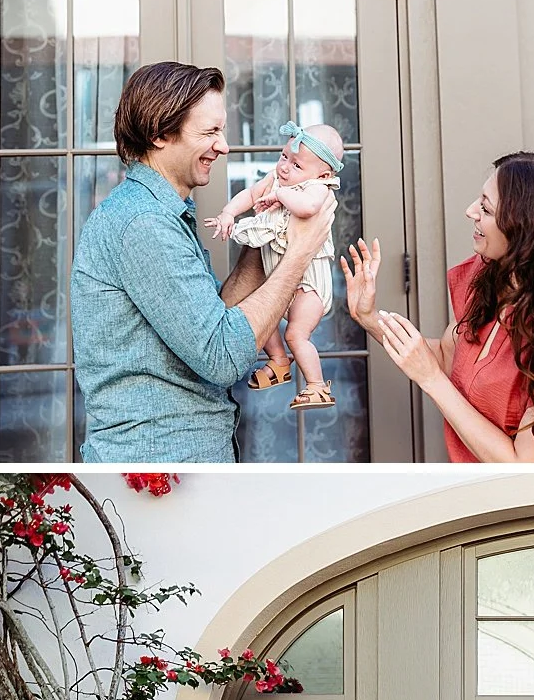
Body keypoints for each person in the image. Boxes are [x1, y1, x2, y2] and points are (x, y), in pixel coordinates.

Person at [71, 62, 336, 461]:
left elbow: (217, 319)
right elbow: (222, 356)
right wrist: (300, 251)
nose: (224, 146)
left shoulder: (165, 213)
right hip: (160, 462)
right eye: (210, 132)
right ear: (160, 133)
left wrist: (269, 231)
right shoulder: (145, 224)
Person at [341, 153, 534, 461]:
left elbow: (526, 467)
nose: (471, 211)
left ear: (527, 230)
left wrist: (431, 379)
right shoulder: (493, 281)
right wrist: (370, 318)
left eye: (486, 207)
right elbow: (450, 358)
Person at [206, 120, 346, 411]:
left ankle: (317, 386)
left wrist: (280, 195)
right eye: (285, 157)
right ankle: (280, 362)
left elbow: (306, 208)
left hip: (309, 285)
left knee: (296, 334)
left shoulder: (319, 187)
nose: (284, 168)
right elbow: (250, 195)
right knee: (258, 314)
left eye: (296, 165)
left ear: (323, 173)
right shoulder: (276, 179)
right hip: (279, 277)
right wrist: (229, 213)